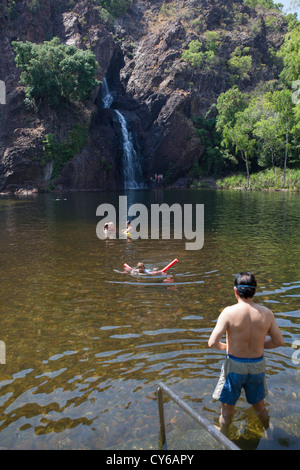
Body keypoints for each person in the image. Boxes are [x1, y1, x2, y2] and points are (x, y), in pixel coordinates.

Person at [208, 272, 284, 435]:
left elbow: (212, 343)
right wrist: (259, 346)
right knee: (259, 405)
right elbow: (278, 342)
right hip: (257, 365)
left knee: (227, 409)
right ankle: (268, 431)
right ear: (255, 291)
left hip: (234, 365)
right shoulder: (267, 313)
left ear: (235, 291)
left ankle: (224, 437)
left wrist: (226, 347)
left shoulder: (228, 312)